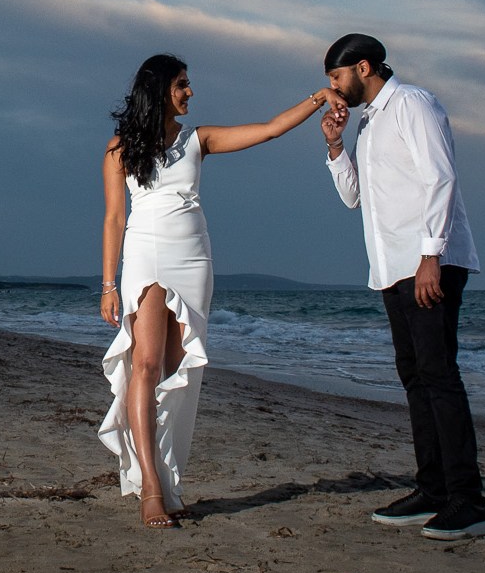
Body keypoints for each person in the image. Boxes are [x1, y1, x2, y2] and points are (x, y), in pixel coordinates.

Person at [99, 54, 334, 528]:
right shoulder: (119, 148)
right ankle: (149, 486)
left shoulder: (198, 139)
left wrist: (317, 98)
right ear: (160, 88)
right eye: (183, 84)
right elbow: (114, 217)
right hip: (144, 254)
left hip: (193, 258)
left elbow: (268, 129)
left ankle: (166, 477)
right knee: (144, 364)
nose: (190, 93)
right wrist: (108, 283)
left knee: (175, 369)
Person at [319, 34, 485, 540]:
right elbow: (356, 200)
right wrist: (334, 147)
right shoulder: (369, 123)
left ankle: (468, 502)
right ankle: (432, 491)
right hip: (392, 267)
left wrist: (430, 256)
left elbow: (441, 178)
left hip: (427, 262)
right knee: (415, 377)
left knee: (439, 376)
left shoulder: (413, 103)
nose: (332, 88)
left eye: (336, 77)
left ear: (363, 67)